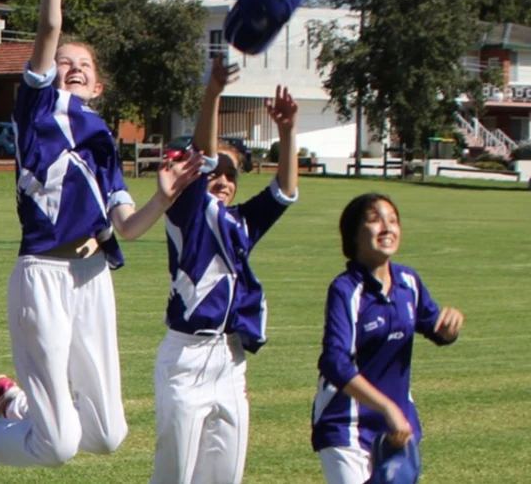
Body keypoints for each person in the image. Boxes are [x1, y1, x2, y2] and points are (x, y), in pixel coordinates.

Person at [0, 0, 200, 483]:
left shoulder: (103, 144)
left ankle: (10, 403)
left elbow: (129, 228)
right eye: (64, 63)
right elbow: (48, 25)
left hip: (91, 279)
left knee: (110, 433)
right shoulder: (37, 111)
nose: (69, 68)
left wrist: (163, 197)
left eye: (82, 68)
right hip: (42, 273)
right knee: (60, 444)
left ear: (99, 87)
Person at [149, 59, 301, 484]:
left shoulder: (239, 225)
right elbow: (202, 153)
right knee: (174, 477)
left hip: (230, 361)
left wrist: (287, 133)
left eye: (231, 175)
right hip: (186, 356)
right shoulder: (186, 212)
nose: (223, 178)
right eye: (214, 172)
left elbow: (284, 192)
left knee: (223, 478)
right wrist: (212, 93)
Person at [312, 193, 465, 484]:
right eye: (374, 220)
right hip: (347, 424)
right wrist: (387, 408)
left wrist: (449, 328)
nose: (387, 228)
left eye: (393, 221)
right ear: (353, 235)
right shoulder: (346, 290)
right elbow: (334, 362)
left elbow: (434, 326)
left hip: (396, 426)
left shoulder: (409, 282)